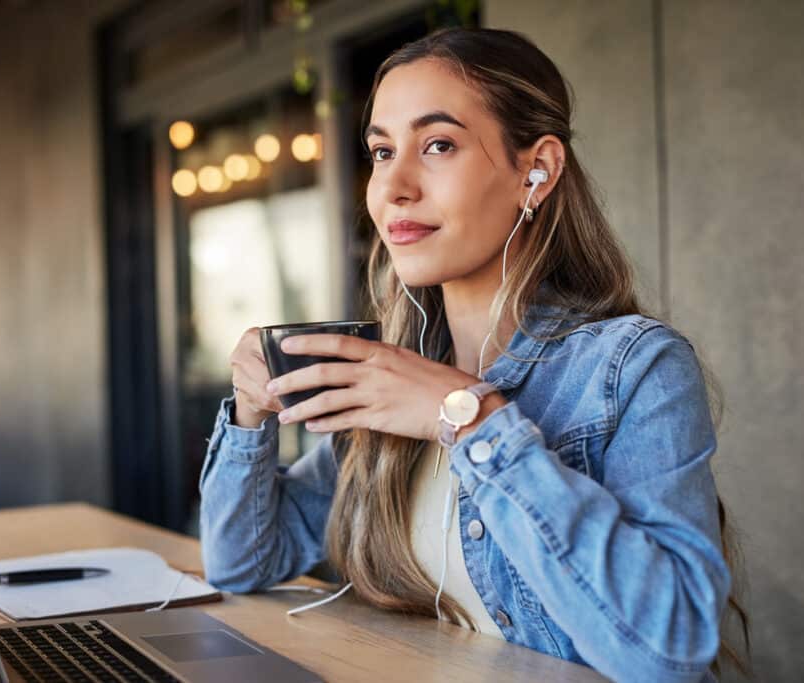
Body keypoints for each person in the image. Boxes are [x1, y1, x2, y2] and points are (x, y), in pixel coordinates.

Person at [199, 27, 749, 683]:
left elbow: (669, 650)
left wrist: (467, 416)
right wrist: (249, 413)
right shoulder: (390, 375)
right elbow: (243, 563)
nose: (393, 186)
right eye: (380, 151)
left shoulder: (633, 369)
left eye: (437, 145)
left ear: (536, 169)